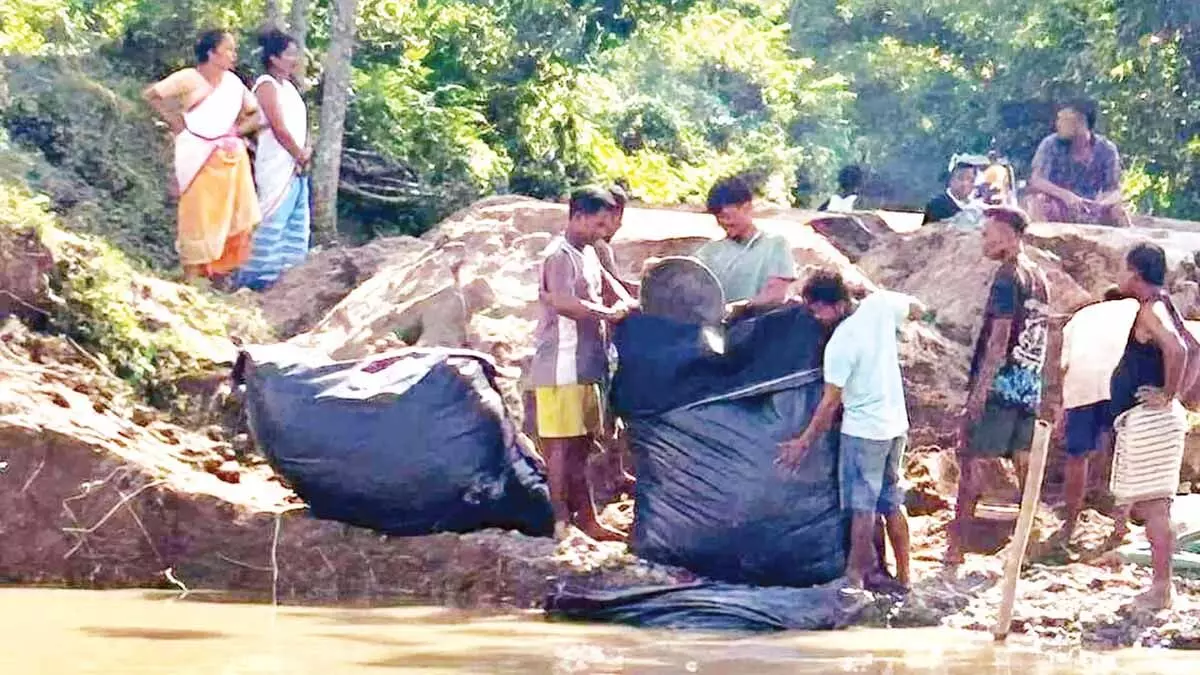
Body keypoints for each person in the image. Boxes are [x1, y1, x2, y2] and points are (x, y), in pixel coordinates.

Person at [777, 272, 925, 590]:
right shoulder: (880, 306)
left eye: (818, 310)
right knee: (892, 502)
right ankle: (905, 578)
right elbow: (917, 307)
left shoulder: (841, 343)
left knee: (862, 507)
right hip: (895, 426)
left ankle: (854, 580)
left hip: (863, 433)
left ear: (840, 305)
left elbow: (830, 404)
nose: (815, 318)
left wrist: (803, 443)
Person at [947, 207, 1051, 565]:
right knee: (1024, 465)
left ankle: (955, 550)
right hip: (1028, 383)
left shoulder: (1007, 277)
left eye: (988, 233)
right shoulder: (1039, 277)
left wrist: (978, 394)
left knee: (972, 463)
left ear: (1009, 235)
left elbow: (999, 339)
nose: (983, 239)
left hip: (1001, 384)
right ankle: (1027, 542)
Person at [531, 187, 633, 541]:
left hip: (588, 363)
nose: (602, 231)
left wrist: (632, 304)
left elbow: (612, 289)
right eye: (598, 223)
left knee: (582, 447)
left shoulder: (589, 252)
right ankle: (560, 522)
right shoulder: (559, 256)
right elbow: (563, 302)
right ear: (577, 216)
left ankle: (588, 520)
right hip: (561, 364)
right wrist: (609, 313)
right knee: (560, 447)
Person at [143, 29, 262, 281]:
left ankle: (215, 276)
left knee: (232, 215)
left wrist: (235, 132)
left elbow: (255, 113)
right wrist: (176, 123)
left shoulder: (233, 83)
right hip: (197, 154)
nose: (233, 55)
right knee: (198, 214)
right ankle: (191, 277)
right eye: (228, 49)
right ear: (211, 52)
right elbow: (153, 95)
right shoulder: (190, 77)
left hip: (230, 158)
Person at [1109, 243, 1189, 609]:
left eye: (1122, 269)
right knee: (1153, 505)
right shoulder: (1164, 302)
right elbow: (1195, 348)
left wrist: (1168, 395)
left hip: (1153, 419)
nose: (1118, 275)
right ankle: (1161, 585)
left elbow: (1179, 349)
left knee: (1156, 508)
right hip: (1156, 419)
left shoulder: (1152, 308)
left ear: (1136, 273)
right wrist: (1180, 396)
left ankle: (1161, 588)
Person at [1053, 286, 1135, 548]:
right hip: (1120, 382)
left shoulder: (1081, 317)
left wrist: (1062, 409)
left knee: (1078, 454)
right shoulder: (1134, 308)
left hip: (1081, 385)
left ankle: (1070, 521)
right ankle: (1121, 523)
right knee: (1125, 450)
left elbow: (1063, 366)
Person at [235, 28, 312, 291]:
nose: (295, 59)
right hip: (279, 161)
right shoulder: (266, 85)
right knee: (272, 215)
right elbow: (278, 127)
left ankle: (287, 276)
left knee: (295, 219)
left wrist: (306, 151)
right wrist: (297, 153)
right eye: (289, 54)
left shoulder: (289, 87)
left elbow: (301, 124)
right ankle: (256, 278)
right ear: (275, 58)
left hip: (297, 164)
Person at [695, 176, 796, 312]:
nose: (723, 221)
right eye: (717, 217)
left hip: (759, 327)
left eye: (726, 215)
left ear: (747, 207)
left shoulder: (776, 245)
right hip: (714, 328)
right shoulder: (709, 252)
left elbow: (775, 295)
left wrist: (737, 309)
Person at [1026, 100, 1132, 227]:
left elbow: (1115, 190)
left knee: (1118, 211)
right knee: (1038, 202)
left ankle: (1134, 245)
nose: (1057, 124)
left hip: (1091, 209)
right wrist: (1067, 196)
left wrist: (1102, 204)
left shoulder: (1106, 149)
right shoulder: (1050, 144)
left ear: (1080, 122)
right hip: (1060, 206)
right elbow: (1037, 180)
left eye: (1063, 120)